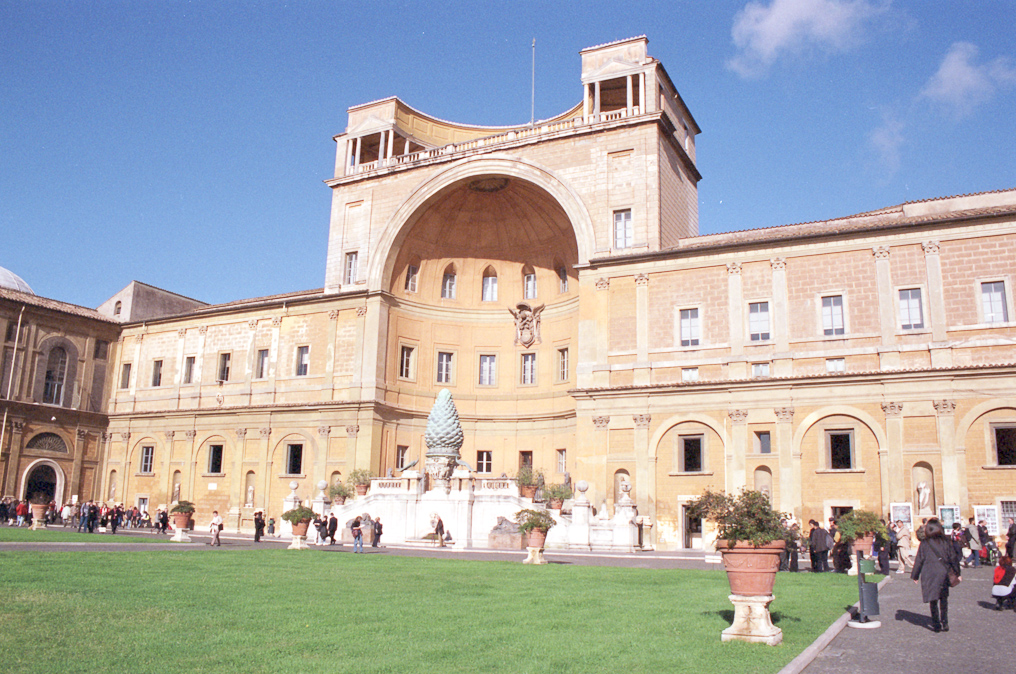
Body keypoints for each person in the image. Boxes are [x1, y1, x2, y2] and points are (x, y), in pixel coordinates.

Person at [912, 518, 961, 633]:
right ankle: (945, 622)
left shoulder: (924, 543)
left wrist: (915, 575)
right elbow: (953, 558)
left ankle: (936, 624)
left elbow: (919, 560)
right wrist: (957, 572)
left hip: (929, 573)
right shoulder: (945, 541)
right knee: (943, 599)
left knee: (933, 600)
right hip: (943, 572)